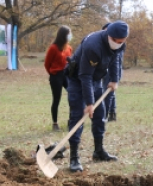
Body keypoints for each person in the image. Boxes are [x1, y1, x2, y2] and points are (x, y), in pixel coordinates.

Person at [66, 21, 128, 172]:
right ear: (109, 35)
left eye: (121, 41)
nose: (118, 44)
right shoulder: (93, 46)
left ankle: (98, 151)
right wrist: (89, 102)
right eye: (115, 41)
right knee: (77, 117)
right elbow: (84, 75)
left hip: (96, 79)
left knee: (100, 115)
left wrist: (114, 79)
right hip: (77, 79)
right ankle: (74, 158)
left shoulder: (120, 44)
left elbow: (116, 60)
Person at [44, 25, 73, 131]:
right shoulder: (53, 48)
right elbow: (47, 64)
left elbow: (69, 61)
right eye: (69, 33)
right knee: (57, 99)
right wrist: (53, 74)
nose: (70, 36)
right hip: (56, 76)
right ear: (63, 35)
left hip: (66, 75)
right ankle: (55, 123)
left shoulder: (69, 48)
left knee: (72, 95)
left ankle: (71, 120)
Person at [101, 23, 125, 122]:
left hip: (113, 72)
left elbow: (116, 61)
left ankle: (105, 116)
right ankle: (112, 114)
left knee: (108, 94)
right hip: (108, 72)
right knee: (111, 93)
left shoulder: (118, 45)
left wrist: (115, 77)